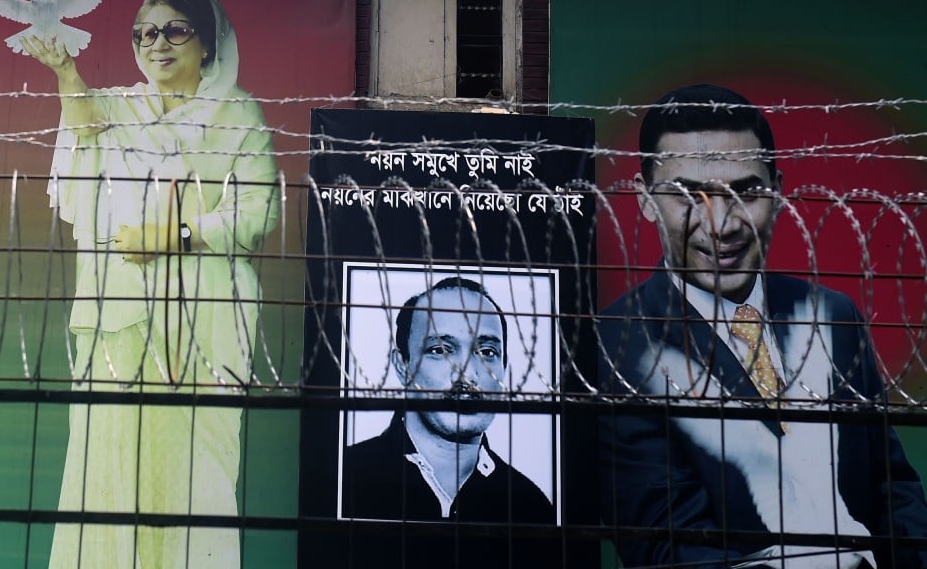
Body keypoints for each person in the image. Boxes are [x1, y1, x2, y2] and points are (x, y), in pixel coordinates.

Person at [596, 83, 927, 568]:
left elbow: (892, 488)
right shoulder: (616, 345)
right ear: (646, 200)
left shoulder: (833, 315)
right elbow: (666, 548)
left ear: (778, 190)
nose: (722, 225)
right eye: (689, 196)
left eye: (746, 191)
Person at [25, 0, 279, 568]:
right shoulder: (122, 104)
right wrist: (66, 71)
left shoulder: (237, 114)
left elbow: (259, 211)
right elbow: (85, 129)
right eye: (144, 33)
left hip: (202, 322)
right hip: (121, 318)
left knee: (195, 472)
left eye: (173, 30)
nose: (156, 44)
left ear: (207, 42)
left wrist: (175, 238)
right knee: (107, 465)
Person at [340, 276, 555, 567]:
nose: (468, 374)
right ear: (402, 366)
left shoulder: (532, 507)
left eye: (487, 352)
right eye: (440, 350)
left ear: (504, 370)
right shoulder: (347, 480)